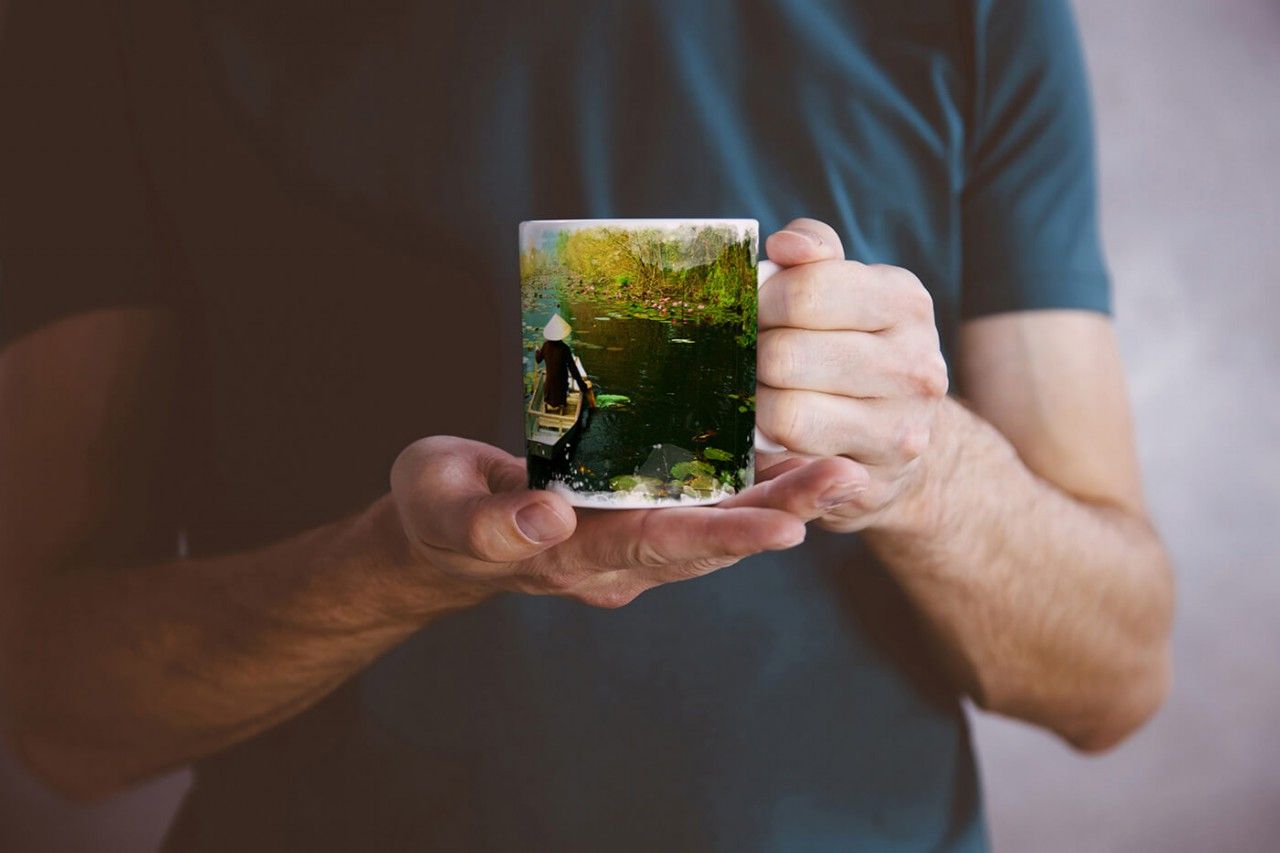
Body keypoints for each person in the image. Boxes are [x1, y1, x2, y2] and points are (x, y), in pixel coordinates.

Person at [0, 1, 1173, 850]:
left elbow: (1111, 680)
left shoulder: (978, 13)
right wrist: (390, 571)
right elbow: (56, 720)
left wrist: (928, 472)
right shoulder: (113, 27)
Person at [534, 314, 594, 414]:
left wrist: (537, 351)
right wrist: (582, 385)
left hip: (549, 386)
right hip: (561, 385)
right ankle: (562, 404)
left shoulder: (545, 346)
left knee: (550, 381)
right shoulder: (564, 348)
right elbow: (573, 369)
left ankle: (548, 405)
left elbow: (538, 360)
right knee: (562, 382)